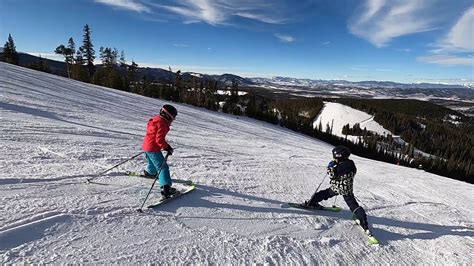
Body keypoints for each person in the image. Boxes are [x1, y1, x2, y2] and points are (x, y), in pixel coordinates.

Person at [305, 145, 372, 235]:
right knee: (354, 206)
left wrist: (330, 168)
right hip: (347, 190)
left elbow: (332, 176)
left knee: (322, 194)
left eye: (335, 157)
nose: (334, 158)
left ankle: (311, 203)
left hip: (336, 188)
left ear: (339, 156)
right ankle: (364, 224)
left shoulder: (339, 167)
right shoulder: (351, 164)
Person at [142, 104, 178, 198]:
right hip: (153, 148)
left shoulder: (155, 120)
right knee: (163, 167)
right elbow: (159, 139)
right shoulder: (162, 123)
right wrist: (167, 147)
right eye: (173, 117)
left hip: (146, 145)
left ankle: (150, 172)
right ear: (167, 115)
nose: (173, 119)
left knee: (153, 162)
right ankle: (166, 188)